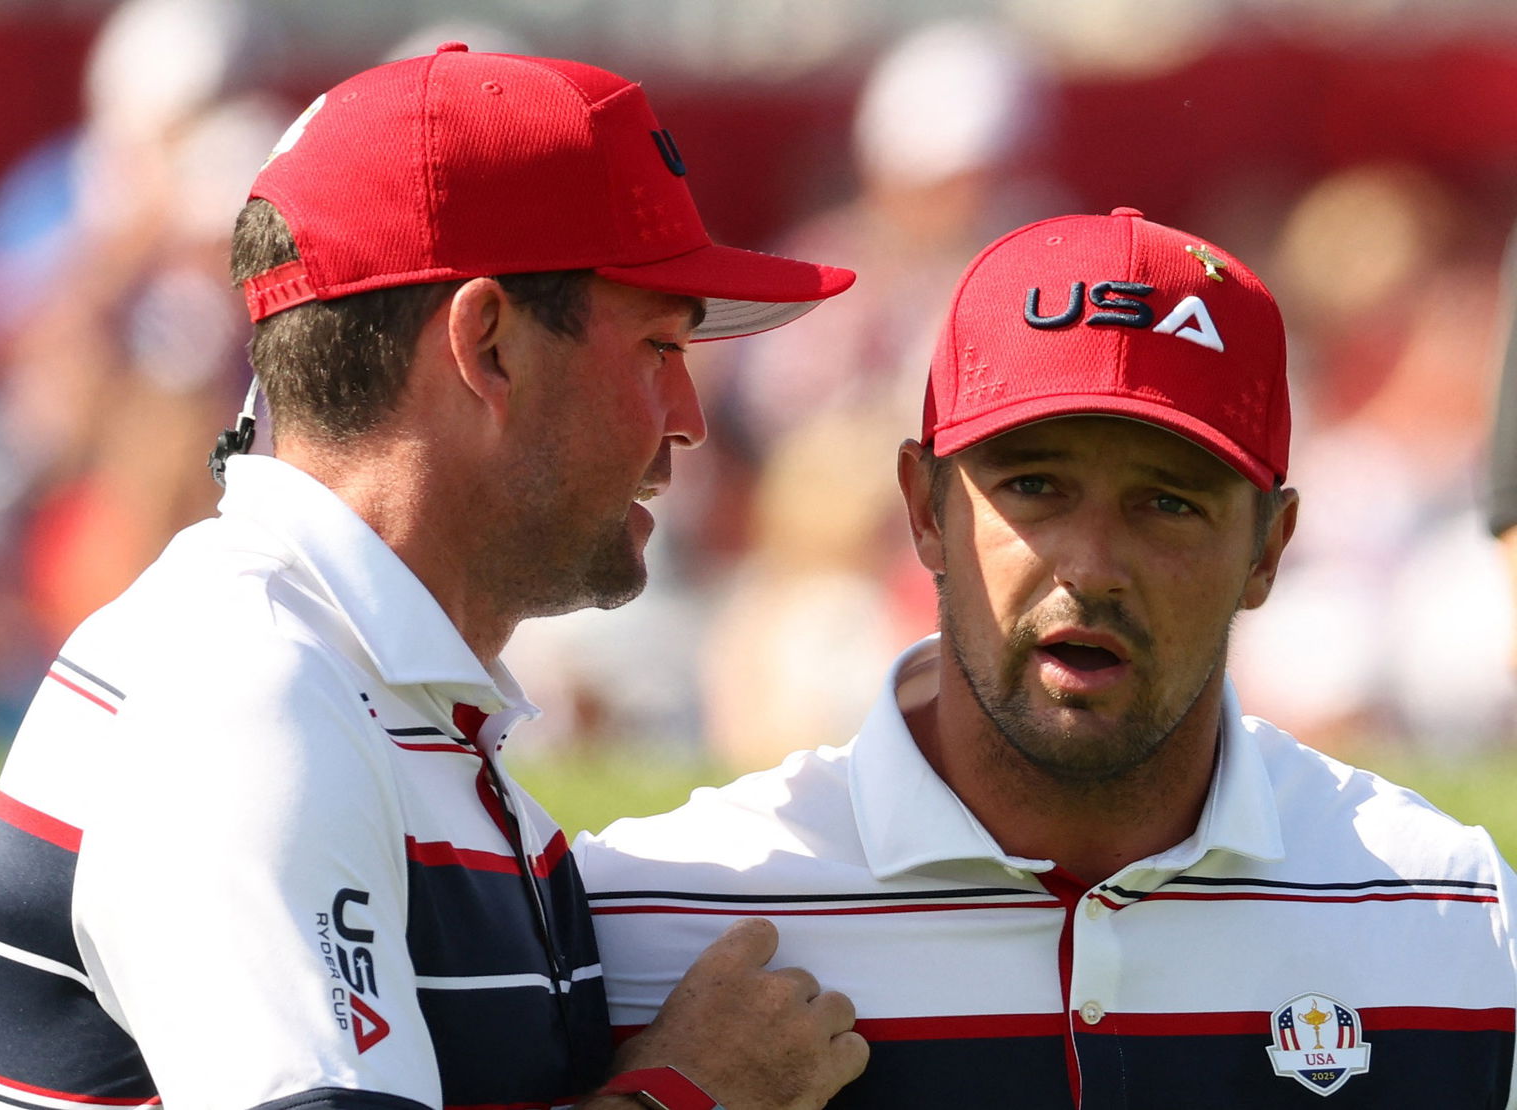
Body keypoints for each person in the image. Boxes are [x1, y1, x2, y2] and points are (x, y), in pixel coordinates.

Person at [0, 44, 869, 1110]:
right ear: (487, 345)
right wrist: (694, 1094)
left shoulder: (341, 684)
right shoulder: (251, 695)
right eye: (658, 348)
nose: (691, 421)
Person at [577, 208, 1517, 1107]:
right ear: (923, 509)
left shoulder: (1453, 913)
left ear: (1269, 550)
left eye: (1168, 503)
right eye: (1034, 487)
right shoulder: (656, 914)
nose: (1093, 567)